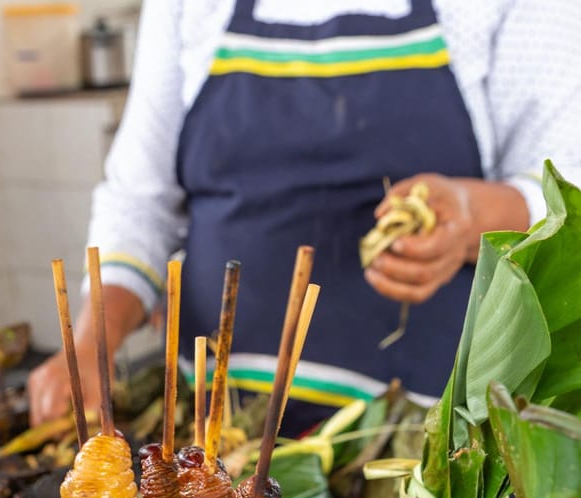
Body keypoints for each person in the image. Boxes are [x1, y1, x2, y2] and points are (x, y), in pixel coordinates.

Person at [29, 0, 581, 437]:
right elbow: (140, 199)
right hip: (215, 436)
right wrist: (92, 346)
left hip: (424, 441)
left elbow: (566, 186)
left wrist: (470, 218)